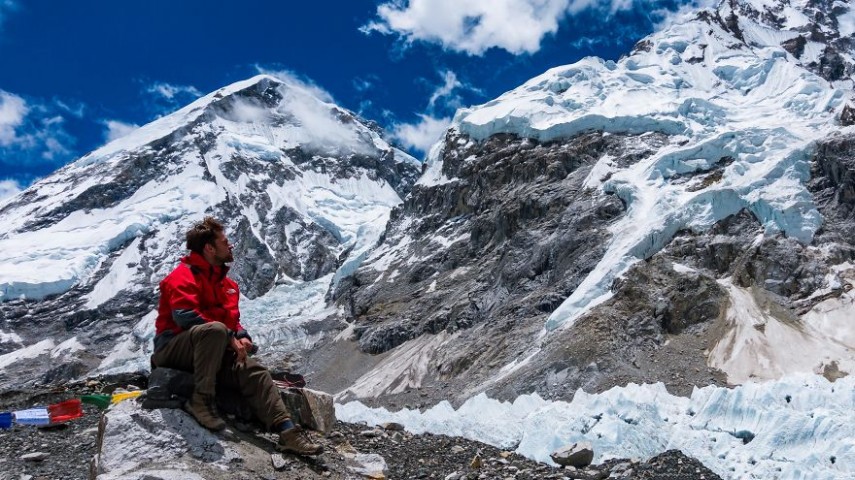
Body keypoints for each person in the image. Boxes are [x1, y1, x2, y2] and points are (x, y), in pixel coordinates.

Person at [151, 216, 322, 456]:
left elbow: (232, 321)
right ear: (209, 248)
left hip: (210, 352)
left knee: (256, 373)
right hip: (174, 351)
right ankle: (201, 401)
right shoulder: (183, 275)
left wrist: (241, 335)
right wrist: (229, 336)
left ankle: (287, 431)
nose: (230, 246)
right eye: (224, 241)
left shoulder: (227, 285)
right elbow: (184, 316)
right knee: (215, 330)